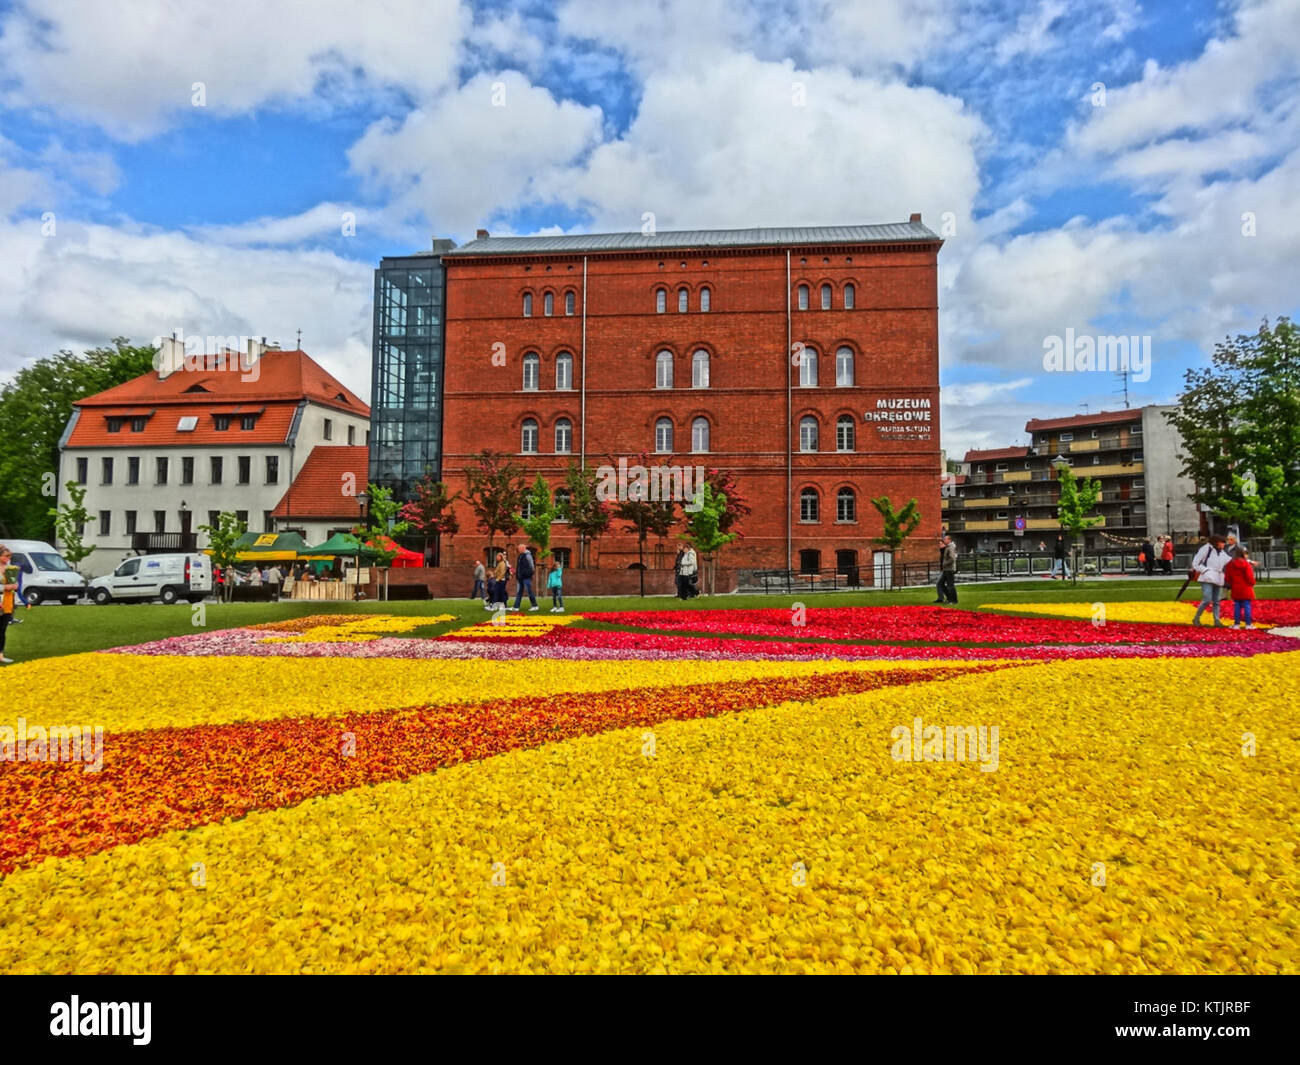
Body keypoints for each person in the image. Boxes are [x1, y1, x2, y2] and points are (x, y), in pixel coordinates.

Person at [1190, 533, 1231, 627]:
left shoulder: (1221, 551)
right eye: (1222, 542)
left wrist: (1247, 562)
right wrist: (1205, 570)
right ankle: (1196, 618)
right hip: (1207, 577)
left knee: (1217, 600)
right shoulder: (1206, 549)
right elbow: (1195, 563)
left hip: (1218, 577)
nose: (1224, 544)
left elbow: (1229, 560)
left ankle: (1217, 620)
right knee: (1207, 599)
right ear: (1216, 542)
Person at [0, 544, 31, 665]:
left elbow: (15, 584)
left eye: (10, 556)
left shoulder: (9, 569)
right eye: (6, 555)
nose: (9, 558)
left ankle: (1, 655)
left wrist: (15, 586)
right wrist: (6, 587)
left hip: (7, 602)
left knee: (2, 630)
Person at [1224, 547, 1256, 629]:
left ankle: (1236, 624)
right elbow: (1250, 577)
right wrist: (1252, 583)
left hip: (1235, 587)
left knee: (1237, 606)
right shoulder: (1246, 564)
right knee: (1247, 605)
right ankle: (1248, 624)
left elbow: (1227, 578)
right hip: (1246, 588)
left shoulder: (1230, 564)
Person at [512, 544, 539, 611]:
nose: (518, 550)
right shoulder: (520, 556)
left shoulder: (527, 555)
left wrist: (529, 574)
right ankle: (516, 607)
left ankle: (535, 605)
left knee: (529, 590)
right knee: (519, 592)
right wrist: (517, 575)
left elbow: (531, 566)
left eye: (519, 548)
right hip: (521, 577)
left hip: (526, 577)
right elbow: (518, 567)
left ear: (523, 548)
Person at [935, 533, 958, 604]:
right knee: (940, 583)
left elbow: (952, 559)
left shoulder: (951, 547)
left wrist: (944, 564)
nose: (944, 540)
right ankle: (949, 598)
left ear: (949, 540)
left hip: (949, 569)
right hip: (946, 569)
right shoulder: (948, 547)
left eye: (945, 539)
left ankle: (954, 600)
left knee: (950, 585)